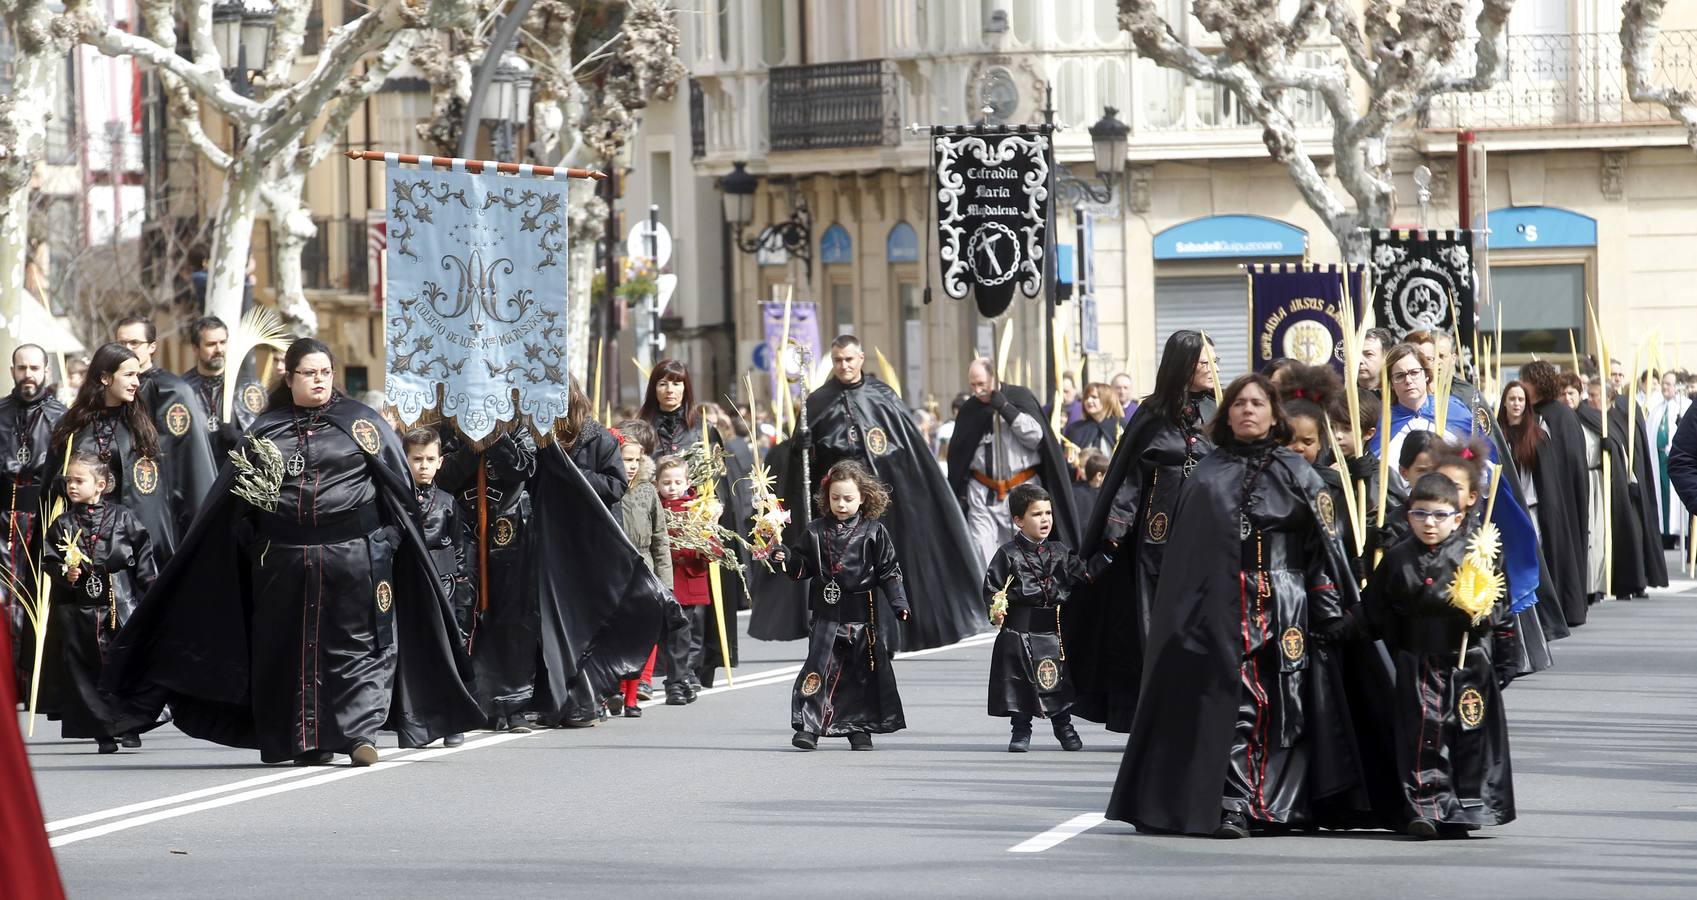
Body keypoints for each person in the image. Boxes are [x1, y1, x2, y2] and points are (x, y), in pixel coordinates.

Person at [101, 338, 484, 766]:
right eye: (309, 373)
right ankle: (306, 740)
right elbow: (233, 504)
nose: (318, 380)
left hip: (356, 560)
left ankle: (359, 734)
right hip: (283, 563)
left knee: (356, 649)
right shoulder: (267, 429)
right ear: (290, 377)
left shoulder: (363, 424)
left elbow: (399, 494)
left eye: (325, 372)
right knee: (291, 652)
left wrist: (386, 541)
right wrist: (254, 537)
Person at [1106, 374, 1387, 838]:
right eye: (1238, 403)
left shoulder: (1298, 473)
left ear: (1274, 413)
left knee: (1286, 708)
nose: (1247, 410)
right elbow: (1187, 557)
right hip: (1223, 606)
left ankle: (1279, 804)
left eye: (1257, 403)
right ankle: (1234, 803)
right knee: (1240, 702)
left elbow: (1323, 551)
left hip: (1288, 605)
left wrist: (1332, 609)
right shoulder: (1207, 475)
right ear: (1227, 413)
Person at [778, 334, 984, 652]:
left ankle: (884, 635)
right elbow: (803, 462)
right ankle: (840, 632)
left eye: (849, 358)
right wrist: (802, 446)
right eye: (838, 360)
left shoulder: (882, 396)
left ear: (861, 358)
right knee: (841, 568)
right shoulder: (817, 401)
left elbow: (905, 449)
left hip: (879, 501)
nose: (844, 365)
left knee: (878, 565)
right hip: (838, 504)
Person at [1066, 330, 1216, 733]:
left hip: (1208, 542)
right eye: (1204, 363)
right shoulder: (1151, 417)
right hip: (1155, 547)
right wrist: (1112, 538)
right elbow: (1128, 482)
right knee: (1153, 630)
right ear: (1184, 367)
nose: (1211, 369)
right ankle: (1157, 713)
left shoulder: (1217, 415)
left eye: (1212, 363)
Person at [1359, 472, 1518, 838]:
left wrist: (1503, 651)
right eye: (1419, 514)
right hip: (1418, 660)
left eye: (1439, 515)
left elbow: (1501, 608)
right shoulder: (1398, 556)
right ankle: (1423, 806)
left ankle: (1462, 806)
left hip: (1466, 661)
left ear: (1458, 517)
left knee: (1463, 732)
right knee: (1420, 732)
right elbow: (1375, 608)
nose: (1429, 523)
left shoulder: (1474, 555)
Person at [771, 461, 909, 751]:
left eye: (848, 498)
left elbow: (889, 570)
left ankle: (859, 729)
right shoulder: (815, 531)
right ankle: (810, 727)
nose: (841, 504)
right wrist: (785, 557)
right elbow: (802, 567)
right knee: (818, 669)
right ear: (826, 498)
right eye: (835, 498)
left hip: (862, 616)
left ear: (863, 498)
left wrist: (899, 603)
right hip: (826, 615)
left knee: (860, 674)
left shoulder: (874, 532)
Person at [40, 453, 157, 753]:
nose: (72, 486)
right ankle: (103, 731)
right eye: (69, 481)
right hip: (81, 609)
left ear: (100, 484)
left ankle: (132, 724)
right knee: (87, 670)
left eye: (79, 481)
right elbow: (50, 559)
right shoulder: (63, 523)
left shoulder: (123, 517)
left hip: (121, 602)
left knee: (125, 663)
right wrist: (67, 572)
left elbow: (143, 558)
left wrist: (152, 593)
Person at [48, 344, 194, 570]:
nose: (136, 382)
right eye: (129, 375)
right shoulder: (72, 426)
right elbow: (52, 485)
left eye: (137, 375)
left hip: (125, 544)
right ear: (106, 378)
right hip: (81, 541)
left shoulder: (140, 426)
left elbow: (151, 497)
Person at [638, 360, 736, 682]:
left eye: (677, 383)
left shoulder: (703, 429)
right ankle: (655, 668)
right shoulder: (642, 427)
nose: (670, 390)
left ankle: (691, 667)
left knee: (694, 602)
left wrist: (713, 509)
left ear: (686, 387)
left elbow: (718, 482)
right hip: (653, 525)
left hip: (692, 528)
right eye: (664, 383)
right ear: (654, 387)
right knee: (655, 597)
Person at [983, 483, 1101, 753]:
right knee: (1021, 682)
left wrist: (1107, 557)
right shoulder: (1007, 554)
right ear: (1018, 520)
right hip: (1018, 632)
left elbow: (1084, 576)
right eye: (1037, 514)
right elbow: (992, 587)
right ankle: (1021, 730)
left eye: (1048, 513)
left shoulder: (1060, 551)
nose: (1045, 519)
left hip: (1049, 631)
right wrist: (996, 607)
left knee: (1055, 680)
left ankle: (1064, 728)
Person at [948, 358, 1080, 563]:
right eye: (973, 385)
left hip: (1022, 488)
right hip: (983, 493)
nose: (977, 390)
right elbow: (960, 453)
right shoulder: (970, 409)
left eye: (981, 384)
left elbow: (1036, 437)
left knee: (1025, 555)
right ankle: (992, 594)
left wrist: (1007, 409)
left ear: (995, 377)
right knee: (982, 553)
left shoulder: (1020, 397)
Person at [112, 315, 216, 545]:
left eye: (134, 343)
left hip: (163, 506)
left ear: (152, 347)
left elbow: (188, 458)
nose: (127, 350)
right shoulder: (109, 390)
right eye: (121, 344)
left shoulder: (173, 390)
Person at [402, 426, 473, 749]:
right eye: (417, 459)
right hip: (410, 584)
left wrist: (461, 590)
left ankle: (450, 721)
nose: (424, 465)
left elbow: (458, 548)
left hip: (443, 586)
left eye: (430, 459)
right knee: (413, 654)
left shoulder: (447, 502)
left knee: (446, 652)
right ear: (405, 459)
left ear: (441, 462)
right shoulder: (396, 498)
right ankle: (415, 724)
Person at [2, 344, 67, 697]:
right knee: (5, 602)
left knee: (39, 598)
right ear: (13, 369)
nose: (28, 374)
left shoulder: (62, 416)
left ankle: (36, 684)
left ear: (46, 371)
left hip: (43, 518)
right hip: (3, 521)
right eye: (22, 367)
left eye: (35, 367)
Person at [1518, 361, 1591, 629]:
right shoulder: (1549, 414)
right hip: (1557, 494)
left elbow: (1565, 460)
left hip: (1557, 496)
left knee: (1560, 547)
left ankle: (1564, 604)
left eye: (1524, 381)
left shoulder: (1552, 416)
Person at [613, 419, 674, 714]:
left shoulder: (648, 492)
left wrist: (666, 583)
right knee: (618, 632)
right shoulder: (609, 488)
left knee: (644, 632)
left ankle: (633, 695)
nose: (633, 466)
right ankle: (614, 688)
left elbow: (660, 539)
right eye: (627, 460)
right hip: (615, 570)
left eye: (637, 460)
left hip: (645, 568)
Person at [1367, 343, 1481, 491]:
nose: (1408, 381)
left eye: (1414, 372)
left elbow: (1480, 462)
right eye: (1400, 376)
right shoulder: (1381, 420)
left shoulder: (1452, 409)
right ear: (1391, 384)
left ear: (1426, 375)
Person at [657, 455, 710, 705]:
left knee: (681, 633)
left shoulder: (697, 509)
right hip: (661, 579)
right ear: (657, 483)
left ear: (688, 483)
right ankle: (664, 679)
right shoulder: (654, 507)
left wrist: (704, 546)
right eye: (666, 482)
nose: (672, 487)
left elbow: (713, 546)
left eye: (678, 482)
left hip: (687, 579)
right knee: (665, 632)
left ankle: (677, 683)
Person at [180, 315, 264, 458]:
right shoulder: (182, 388)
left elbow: (263, 439)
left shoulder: (246, 387)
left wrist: (239, 438)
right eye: (211, 344)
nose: (219, 349)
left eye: (223, 342)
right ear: (195, 349)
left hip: (235, 473)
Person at [1647, 370, 1690, 549]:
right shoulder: (1656, 408)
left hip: (1677, 462)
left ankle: (1682, 534)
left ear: (1678, 386)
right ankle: (1664, 532)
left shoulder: (1685, 406)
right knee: (1661, 496)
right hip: (1659, 461)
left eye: (1669, 384)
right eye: (1663, 383)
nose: (1665, 387)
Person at [1063, 382, 1122, 458]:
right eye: (1086, 397)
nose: (1089, 401)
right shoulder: (1075, 429)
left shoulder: (1119, 426)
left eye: (1094, 397)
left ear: (1106, 399)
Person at [1357, 328, 1395, 395]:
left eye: (1369, 354)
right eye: (1355, 354)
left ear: (1386, 356)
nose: (1359, 361)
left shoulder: (1399, 395)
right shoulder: (1342, 397)